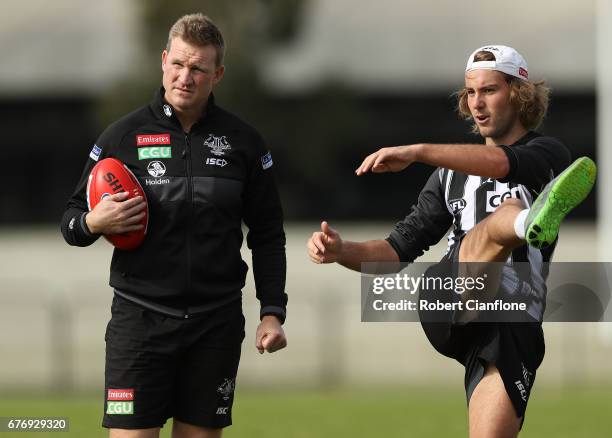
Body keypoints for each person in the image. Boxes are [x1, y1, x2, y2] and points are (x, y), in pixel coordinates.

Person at [307, 45, 596, 437]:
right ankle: (528, 221)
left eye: (489, 91)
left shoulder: (548, 153)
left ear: (519, 93)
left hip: (512, 320)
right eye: (470, 92)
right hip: (449, 294)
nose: (476, 103)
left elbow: (504, 164)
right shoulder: (447, 178)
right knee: (503, 216)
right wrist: (341, 251)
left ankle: (523, 222)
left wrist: (421, 152)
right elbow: (395, 251)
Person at [61, 13, 287, 438]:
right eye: (179, 64)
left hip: (215, 323)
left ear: (216, 74)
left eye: (199, 68)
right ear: (164, 61)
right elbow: (70, 222)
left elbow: (269, 236)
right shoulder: (121, 137)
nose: (186, 77)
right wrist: (94, 221)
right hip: (140, 321)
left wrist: (272, 312)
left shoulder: (244, 142)